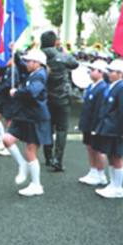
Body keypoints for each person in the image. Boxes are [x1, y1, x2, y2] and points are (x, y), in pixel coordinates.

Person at [3, 49, 52, 196]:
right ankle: (22, 164)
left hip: (34, 118)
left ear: (37, 63)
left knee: (30, 151)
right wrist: (14, 51)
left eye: (29, 61)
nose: (26, 63)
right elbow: (20, 64)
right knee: (7, 139)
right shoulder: (34, 73)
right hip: (25, 116)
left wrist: (16, 93)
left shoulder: (40, 75)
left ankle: (36, 185)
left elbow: (32, 92)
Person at [39, 30, 79, 172]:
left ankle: (48, 157)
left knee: (48, 127)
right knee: (62, 129)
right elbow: (75, 64)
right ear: (55, 41)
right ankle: (58, 159)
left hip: (45, 97)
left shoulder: (39, 56)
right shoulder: (62, 56)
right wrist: (63, 50)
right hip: (62, 96)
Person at [93, 59, 123, 199]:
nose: (109, 73)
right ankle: (113, 184)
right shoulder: (112, 86)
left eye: (112, 71)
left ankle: (118, 187)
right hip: (109, 127)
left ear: (120, 73)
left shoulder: (122, 87)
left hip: (116, 128)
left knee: (117, 157)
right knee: (111, 155)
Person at [77, 59, 109, 186]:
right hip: (88, 123)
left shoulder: (102, 88)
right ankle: (93, 171)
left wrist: (97, 126)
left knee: (98, 149)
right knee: (90, 148)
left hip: (95, 124)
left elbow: (100, 110)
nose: (90, 72)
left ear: (100, 72)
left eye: (93, 70)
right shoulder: (91, 86)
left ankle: (101, 174)